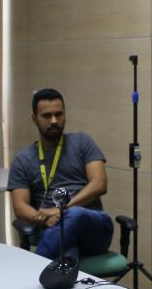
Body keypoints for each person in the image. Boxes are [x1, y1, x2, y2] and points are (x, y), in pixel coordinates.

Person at [8, 88, 113, 260]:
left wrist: (60, 210)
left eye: (59, 114)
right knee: (65, 260)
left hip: (93, 228)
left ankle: (29, 272)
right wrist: (44, 219)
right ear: (34, 119)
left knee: (75, 214)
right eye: (46, 116)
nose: (54, 121)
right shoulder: (23, 159)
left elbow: (99, 184)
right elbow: (20, 207)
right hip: (53, 228)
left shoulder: (82, 142)